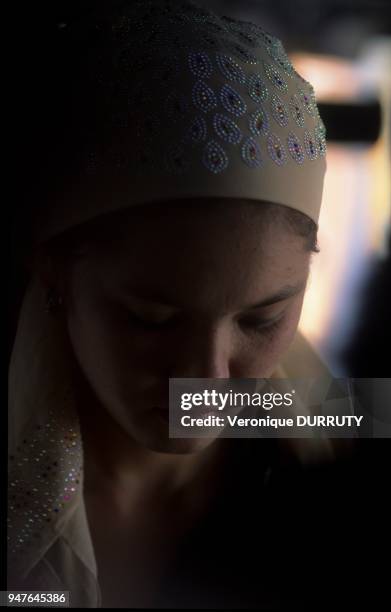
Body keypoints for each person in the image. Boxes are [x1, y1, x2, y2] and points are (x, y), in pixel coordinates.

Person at [8, 1, 336, 607]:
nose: (205, 379)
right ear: (51, 268)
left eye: (263, 319)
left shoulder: (352, 456)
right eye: (150, 319)